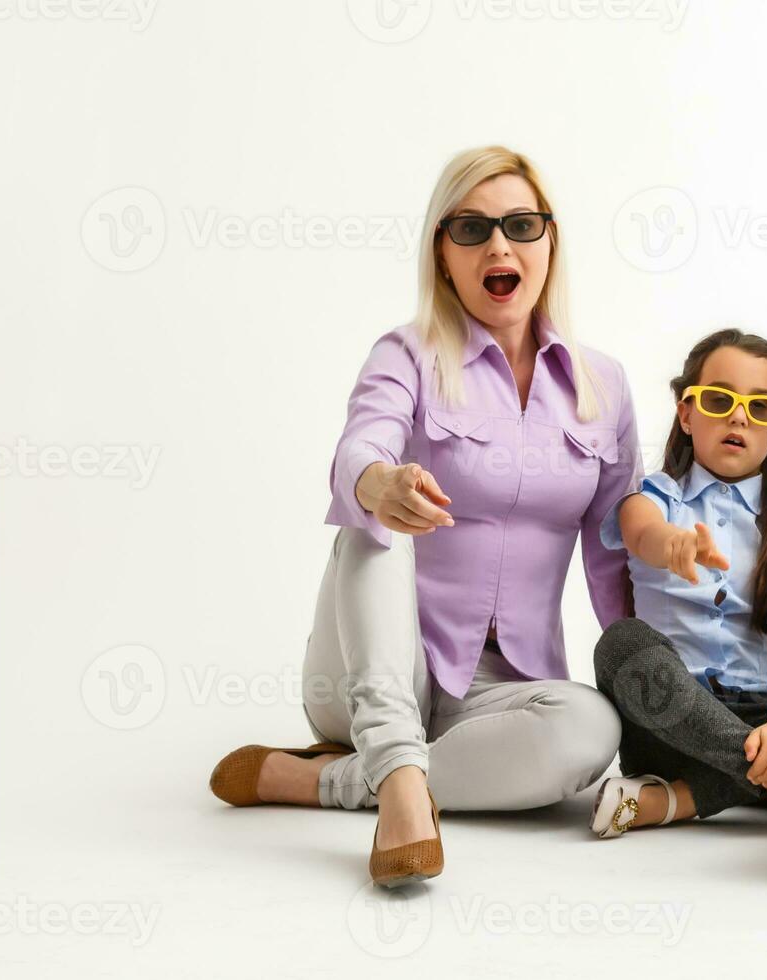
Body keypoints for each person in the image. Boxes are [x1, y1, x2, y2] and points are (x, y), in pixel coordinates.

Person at [208, 145, 640, 887]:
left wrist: (659, 701)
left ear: (550, 242)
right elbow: (358, 451)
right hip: (372, 672)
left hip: (501, 696)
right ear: (442, 254)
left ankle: (330, 782)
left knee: (592, 728)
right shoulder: (407, 354)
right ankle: (400, 781)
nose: (498, 245)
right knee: (372, 522)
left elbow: (613, 561)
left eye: (520, 225)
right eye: (470, 229)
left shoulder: (604, 386)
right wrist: (379, 484)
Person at [586, 329, 767, 851]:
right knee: (621, 643)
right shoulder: (655, 497)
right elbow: (640, 532)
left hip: (763, 718)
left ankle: (677, 800)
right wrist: (673, 544)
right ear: (686, 414)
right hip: (671, 722)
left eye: (761, 408)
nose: (739, 417)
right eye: (720, 401)